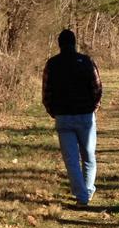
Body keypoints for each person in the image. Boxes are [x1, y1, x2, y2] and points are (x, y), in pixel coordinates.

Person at [42, 29, 102, 206]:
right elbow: (97, 88)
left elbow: (46, 93)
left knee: (71, 161)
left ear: (59, 44)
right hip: (86, 117)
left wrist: (53, 111)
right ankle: (87, 191)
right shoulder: (86, 61)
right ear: (74, 43)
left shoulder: (52, 64)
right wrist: (94, 107)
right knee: (89, 156)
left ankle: (82, 195)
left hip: (63, 117)